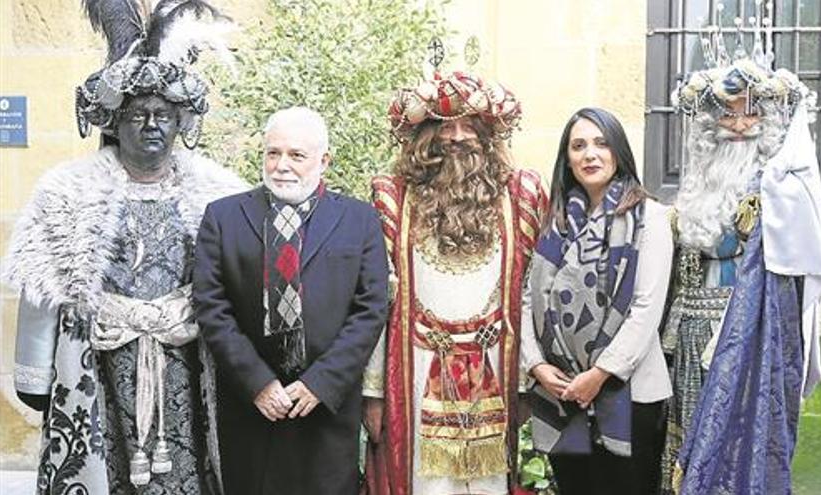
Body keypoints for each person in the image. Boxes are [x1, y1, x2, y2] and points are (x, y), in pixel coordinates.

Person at [0, 3, 243, 494]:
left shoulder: (220, 195)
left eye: (162, 116)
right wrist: (33, 373)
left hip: (186, 364)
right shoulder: (67, 192)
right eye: (137, 115)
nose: (151, 125)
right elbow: (43, 284)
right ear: (115, 122)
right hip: (96, 365)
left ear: (180, 125)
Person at [663, 13, 821, 494]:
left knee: (738, 450)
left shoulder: (780, 191)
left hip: (749, 336)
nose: (738, 125)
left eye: (751, 111)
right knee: (685, 451)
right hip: (688, 340)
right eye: (727, 113)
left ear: (771, 120)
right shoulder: (696, 186)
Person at [362, 71, 547, 495]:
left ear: (488, 133)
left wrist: (527, 381)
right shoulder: (393, 198)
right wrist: (373, 392)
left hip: (497, 369)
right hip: (417, 366)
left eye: (470, 125)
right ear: (424, 134)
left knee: (489, 483)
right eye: (444, 125)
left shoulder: (521, 197)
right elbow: (378, 301)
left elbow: (531, 296)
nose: (457, 136)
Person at [192, 106, 389, 495]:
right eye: (273, 153)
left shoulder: (360, 220)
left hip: (324, 409)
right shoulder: (223, 217)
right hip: (252, 407)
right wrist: (257, 382)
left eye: (296, 155)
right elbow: (212, 307)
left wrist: (320, 383)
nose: (282, 165)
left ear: (324, 160)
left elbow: (370, 310)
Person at [528, 107, 673, 495]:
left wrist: (599, 374)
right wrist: (537, 365)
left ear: (618, 152)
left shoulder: (650, 217)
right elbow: (528, 299)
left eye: (601, 143)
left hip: (628, 393)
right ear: (567, 159)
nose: (590, 154)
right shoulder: (555, 223)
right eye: (578, 146)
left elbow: (646, 308)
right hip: (562, 393)